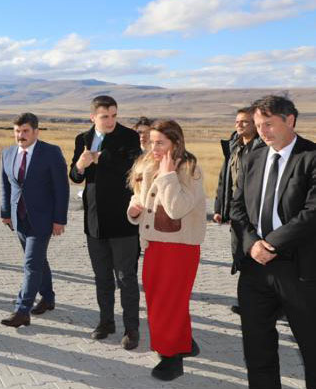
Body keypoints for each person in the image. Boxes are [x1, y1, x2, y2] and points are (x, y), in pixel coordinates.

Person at [230, 95, 316, 389]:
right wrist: (253, 244)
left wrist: (272, 244)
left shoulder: (311, 157)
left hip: (299, 270)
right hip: (255, 268)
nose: (262, 131)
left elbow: (312, 212)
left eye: (268, 124)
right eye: (258, 125)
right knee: (257, 350)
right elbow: (237, 208)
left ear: (289, 120)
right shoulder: (252, 158)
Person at [127, 119, 206, 381]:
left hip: (179, 248)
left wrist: (168, 175)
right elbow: (139, 195)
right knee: (160, 300)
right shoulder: (148, 163)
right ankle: (185, 343)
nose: (154, 148)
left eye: (160, 142)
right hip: (154, 244)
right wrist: (133, 210)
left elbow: (176, 209)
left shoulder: (189, 169)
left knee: (168, 303)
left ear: (176, 142)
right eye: (152, 142)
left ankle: (172, 357)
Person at [69, 95, 142, 350]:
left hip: (122, 220)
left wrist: (102, 158)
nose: (110, 121)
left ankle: (131, 329)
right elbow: (75, 176)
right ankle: (106, 322)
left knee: (126, 277)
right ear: (93, 117)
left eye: (114, 115)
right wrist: (80, 166)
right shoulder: (83, 138)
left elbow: (133, 168)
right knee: (102, 277)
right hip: (94, 221)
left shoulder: (129, 137)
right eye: (104, 116)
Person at [0, 112, 69, 327]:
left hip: (43, 219)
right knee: (38, 261)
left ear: (36, 132)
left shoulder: (51, 152)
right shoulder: (8, 153)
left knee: (31, 264)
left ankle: (22, 310)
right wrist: (5, 212)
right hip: (18, 218)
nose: (20, 135)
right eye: (17, 131)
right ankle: (48, 298)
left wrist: (60, 219)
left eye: (25, 131)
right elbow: (5, 185)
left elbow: (62, 188)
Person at [213, 107, 265, 315]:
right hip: (237, 211)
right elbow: (224, 178)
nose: (239, 125)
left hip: (256, 212)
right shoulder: (234, 145)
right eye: (237, 121)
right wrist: (219, 208)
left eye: (244, 121)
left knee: (258, 258)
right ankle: (249, 303)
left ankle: (268, 306)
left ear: (255, 124)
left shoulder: (263, 148)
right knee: (241, 257)